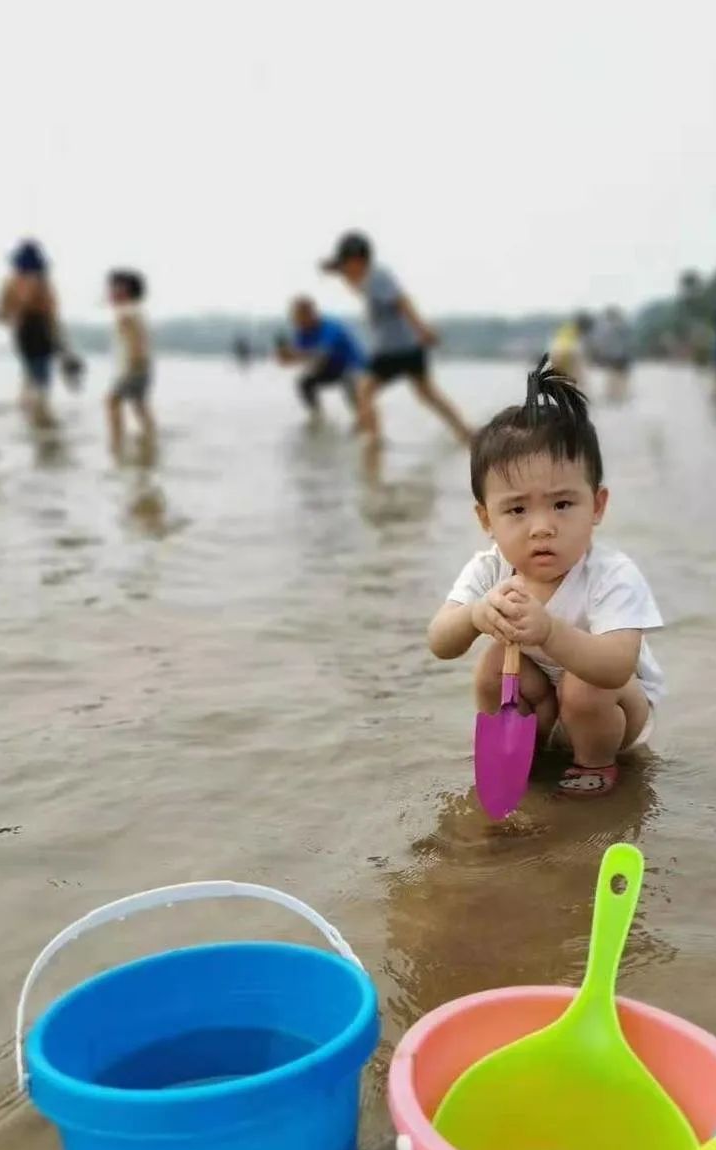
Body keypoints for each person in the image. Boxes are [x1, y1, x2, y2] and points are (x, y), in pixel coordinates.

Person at [427, 358, 664, 798]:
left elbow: (616, 666)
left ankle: (594, 766)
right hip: (543, 701)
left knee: (584, 684)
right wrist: (477, 615)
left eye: (562, 504)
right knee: (491, 665)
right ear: (486, 518)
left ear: (596, 506)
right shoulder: (490, 567)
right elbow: (440, 641)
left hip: (614, 711)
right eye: (517, 510)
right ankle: (521, 756)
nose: (541, 527)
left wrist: (551, 631)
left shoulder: (611, 574)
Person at [321, 232, 472, 448]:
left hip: (396, 349)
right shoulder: (366, 277)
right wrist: (336, 269)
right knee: (426, 393)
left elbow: (403, 302)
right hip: (405, 347)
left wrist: (423, 329)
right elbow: (350, 279)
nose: (345, 271)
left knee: (364, 389)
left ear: (358, 260)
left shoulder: (377, 277)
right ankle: (464, 432)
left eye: (346, 263)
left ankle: (374, 441)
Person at [275, 296, 371, 427]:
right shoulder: (302, 331)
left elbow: (322, 353)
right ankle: (317, 416)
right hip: (327, 367)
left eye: (298, 318)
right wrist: (285, 357)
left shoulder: (330, 326)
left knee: (349, 381)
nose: (296, 322)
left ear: (311, 314)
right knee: (304, 382)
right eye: (295, 318)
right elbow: (294, 359)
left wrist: (295, 354)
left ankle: (362, 417)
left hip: (352, 366)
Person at [0, 240, 62, 424]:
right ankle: (41, 413)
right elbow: (52, 311)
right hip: (40, 327)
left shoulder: (12, 282)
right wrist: (58, 337)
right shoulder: (42, 282)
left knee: (29, 371)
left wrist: (14, 316)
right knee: (41, 374)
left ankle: (28, 413)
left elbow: (1, 313)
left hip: (23, 330)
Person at [106, 270, 155, 450]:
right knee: (139, 405)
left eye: (113, 288)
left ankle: (116, 442)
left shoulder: (125, 313)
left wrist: (134, 366)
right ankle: (151, 440)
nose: (109, 292)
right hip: (144, 368)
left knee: (111, 401)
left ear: (124, 291)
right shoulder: (135, 310)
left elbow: (136, 340)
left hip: (133, 368)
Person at [589, 306, 634, 403]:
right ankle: (622, 396)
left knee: (612, 375)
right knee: (621, 376)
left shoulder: (606, 327)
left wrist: (600, 353)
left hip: (613, 355)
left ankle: (613, 395)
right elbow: (629, 341)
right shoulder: (624, 326)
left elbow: (600, 342)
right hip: (623, 355)